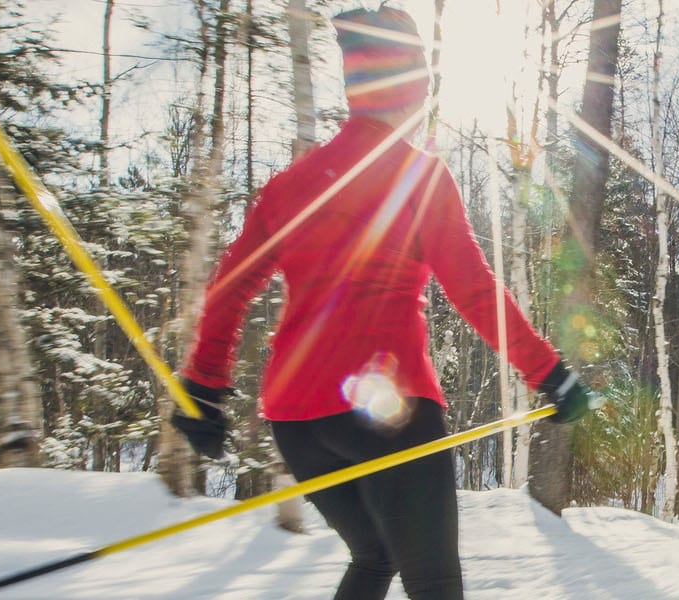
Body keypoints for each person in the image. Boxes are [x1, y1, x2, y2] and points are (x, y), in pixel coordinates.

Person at [171, 8, 591, 600]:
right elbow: (473, 292)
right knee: (434, 585)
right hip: (387, 410)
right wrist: (548, 371)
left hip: (296, 419)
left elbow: (230, 287)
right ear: (414, 89)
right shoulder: (419, 176)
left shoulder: (289, 185)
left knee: (374, 556)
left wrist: (203, 387)